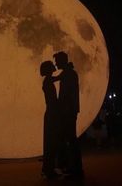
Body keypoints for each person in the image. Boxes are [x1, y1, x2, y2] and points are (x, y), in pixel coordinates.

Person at [52, 51, 84, 179]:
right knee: (70, 138)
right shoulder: (68, 73)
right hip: (70, 111)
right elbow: (61, 77)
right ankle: (73, 167)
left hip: (68, 112)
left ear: (62, 61)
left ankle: (74, 168)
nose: (55, 64)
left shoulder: (68, 74)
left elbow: (65, 95)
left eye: (57, 61)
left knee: (70, 139)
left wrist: (58, 108)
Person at [40, 60, 61, 179]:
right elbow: (58, 77)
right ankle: (49, 169)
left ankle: (48, 168)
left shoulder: (47, 80)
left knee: (50, 142)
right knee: (51, 142)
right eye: (52, 66)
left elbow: (57, 78)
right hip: (52, 113)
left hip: (51, 113)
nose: (55, 66)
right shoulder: (48, 81)